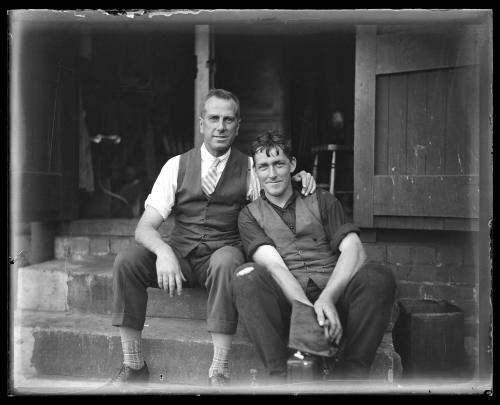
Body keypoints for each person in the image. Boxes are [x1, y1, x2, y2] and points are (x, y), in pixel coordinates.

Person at [109, 89, 316, 387]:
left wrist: (298, 178)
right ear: (202, 123)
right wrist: (165, 253)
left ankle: (219, 371)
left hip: (221, 256)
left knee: (227, 258)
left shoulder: (249, 167)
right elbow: (144, 227)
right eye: (214, 118)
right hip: (179, 255)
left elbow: (276, 185)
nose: (221, 126)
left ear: (238, 125)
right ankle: (133, 365)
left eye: (228, 120)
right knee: (128, 260)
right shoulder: (176, 165)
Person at [232, 130, 396, 381]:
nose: (272, 173)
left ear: (293, 165)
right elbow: (275, 267)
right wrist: (308, 310)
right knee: (245, 276)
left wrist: (328, 299)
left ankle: (350, 376)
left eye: (279, 164)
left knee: (379, 276)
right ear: (256, 172)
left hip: (335, 296)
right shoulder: (249, 215)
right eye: (263, 167)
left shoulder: (322, 199)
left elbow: (355, 250)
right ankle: (280, 377)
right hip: (290, 304)